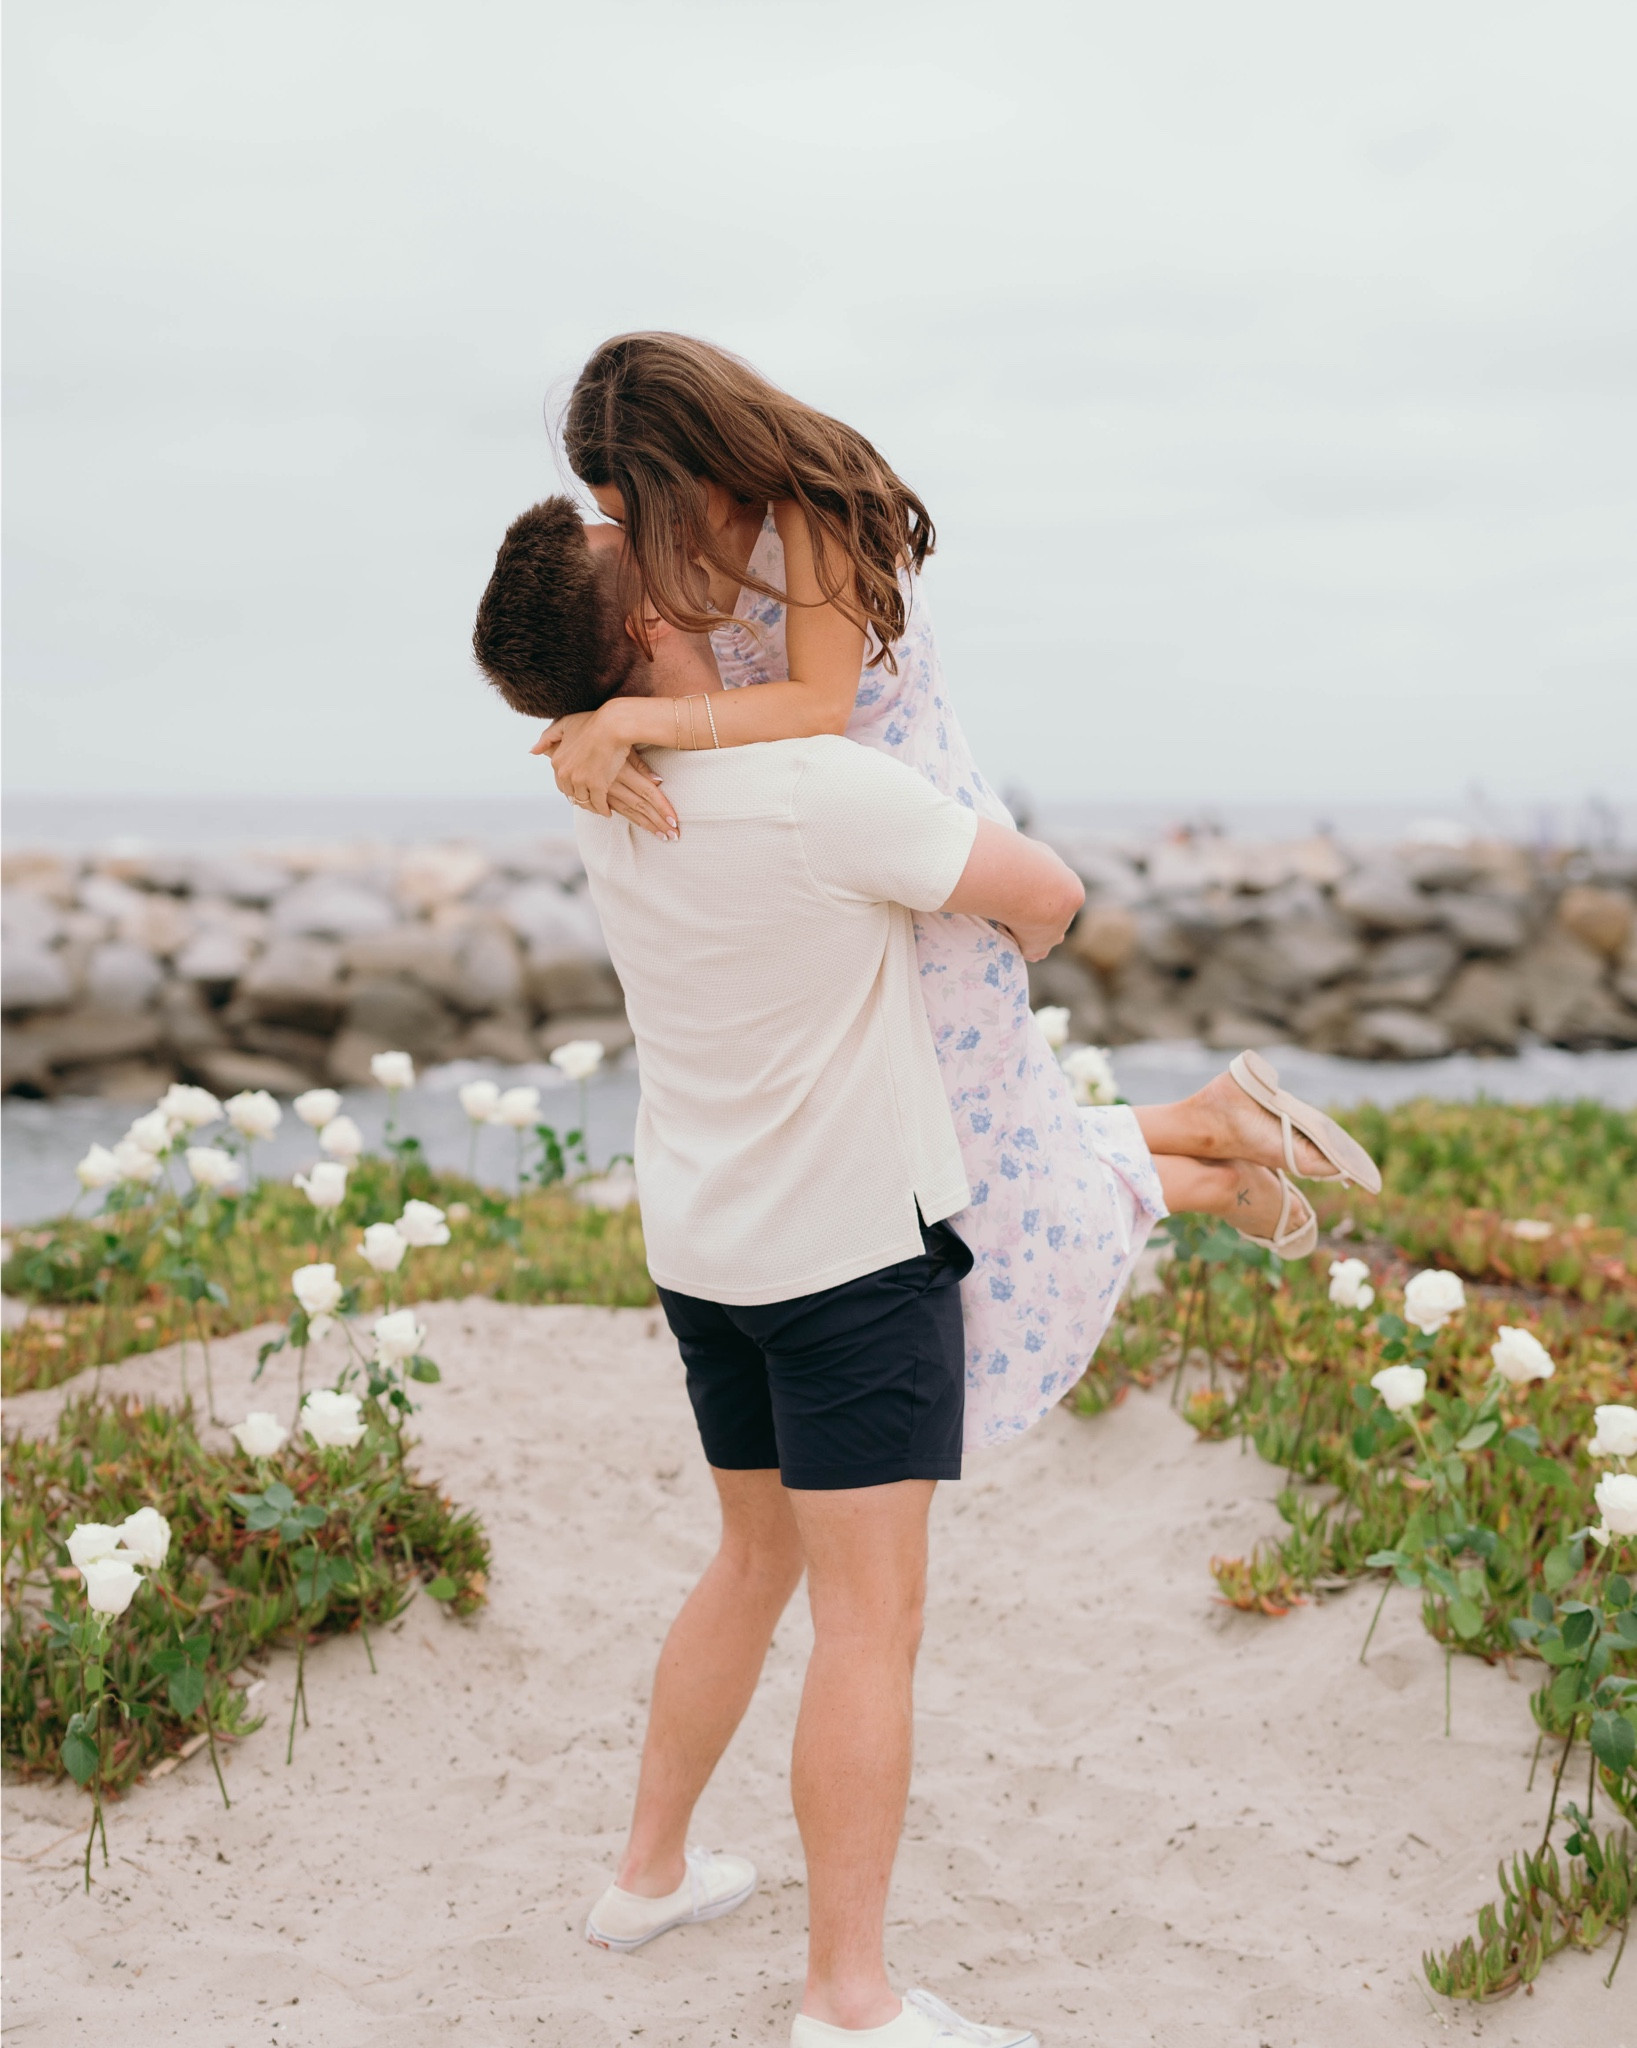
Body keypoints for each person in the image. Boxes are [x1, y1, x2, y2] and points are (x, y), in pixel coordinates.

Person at [471, 505, 1383, 2046]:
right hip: (846, 1261)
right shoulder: (820, 790)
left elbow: (650, 726)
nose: (668, 530)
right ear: (642, 633)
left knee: (750, 1564)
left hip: (704, 1246)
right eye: (635, 535)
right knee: (867, 1628)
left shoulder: (597, 787)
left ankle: (647, 1875)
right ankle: (848, 1999)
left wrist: (599, 724)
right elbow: (1048, 901)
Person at [524, 334, 1379, 1454]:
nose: (635, 547)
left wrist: (630, 719)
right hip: (835, 873)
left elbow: (812, 707)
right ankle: (1213, 1127)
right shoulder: (695, 556)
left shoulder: (809, 518)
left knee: (974, 1183)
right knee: (985, 1150)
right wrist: (593, 712)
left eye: (638, 516)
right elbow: (652, 666)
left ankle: (1205, 1175)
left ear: (701, 471)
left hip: (919, 870)